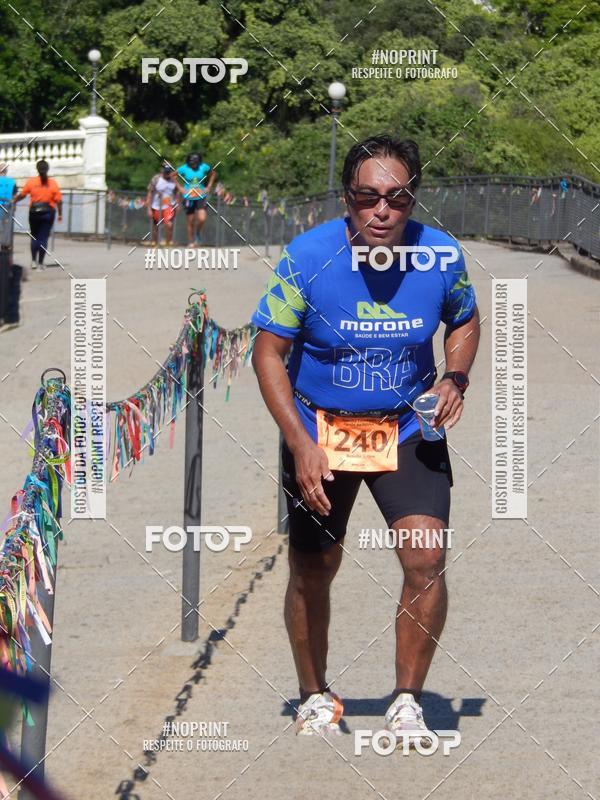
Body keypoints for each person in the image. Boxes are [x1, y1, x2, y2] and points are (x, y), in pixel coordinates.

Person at [251, 134, 480, 743]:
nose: (381, 212)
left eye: (397, 199)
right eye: (367, 197)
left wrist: (456, 375)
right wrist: (299, 442)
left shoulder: (441, 256)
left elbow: (464, 319)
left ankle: (407, 698)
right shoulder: (306, 256)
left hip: (406, 426)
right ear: (347, 198)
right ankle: (314, 694)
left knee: (427, 558)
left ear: (414, 199)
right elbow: (268, 353)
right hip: (322, 431)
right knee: (314, 566)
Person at [14, 160, 62, 271]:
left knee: (34, 237)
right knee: (43, 238)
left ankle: (33, 261)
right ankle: (41, 263)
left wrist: (14, 200)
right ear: (47, 169)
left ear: (37, 169)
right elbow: (59, 201)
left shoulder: (31, 182)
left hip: (34, 212)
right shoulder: (53, 183)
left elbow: (22, 194)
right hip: (48, 213)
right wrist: (60, 214)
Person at [176, 152, 215, 247]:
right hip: (188, 196)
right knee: (190, 220)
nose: (194, 165)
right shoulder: (184, 168)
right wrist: (180, 188)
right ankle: (191, 241)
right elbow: (173, 175)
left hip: (200, 195)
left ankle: (198, 233)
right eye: (192, 163)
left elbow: (213, 173)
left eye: (196, 163)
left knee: (202, 218)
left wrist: (209, 186)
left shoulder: (203, 167)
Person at [146, 161, 180, 246]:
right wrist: (149, 208)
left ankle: (168, 243)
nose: (167, 174)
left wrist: (177, 204)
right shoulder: (156, 179)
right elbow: (150, 193)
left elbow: (177, 193)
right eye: (166, 172)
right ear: (162, 171)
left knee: (169, 224)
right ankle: (155, 243)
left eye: (169, 172)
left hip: (168, 206)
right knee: (156, 226)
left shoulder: (174, 180)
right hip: (156, 206)